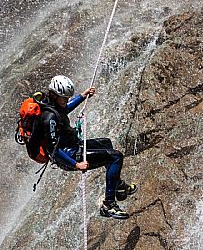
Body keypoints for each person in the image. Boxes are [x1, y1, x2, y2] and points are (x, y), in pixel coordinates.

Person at [29, 75, 137, 219]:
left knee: (106, 143)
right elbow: (53, 151)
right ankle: (109, 205)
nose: (66, 100)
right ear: (55, 95)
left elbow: (64, 109)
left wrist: (82, 96)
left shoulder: (52, 104)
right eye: (64, 98)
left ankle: (117, 185)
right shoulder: (49, 118)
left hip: (74, 146)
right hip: (69, 155)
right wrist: (76, 164)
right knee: (115, 157)